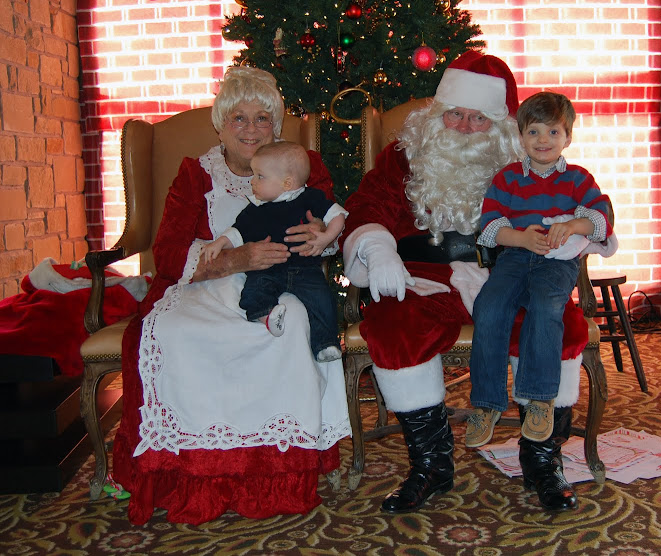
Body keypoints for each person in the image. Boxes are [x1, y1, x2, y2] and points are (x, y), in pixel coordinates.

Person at [340, 51, 604, 514]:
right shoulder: (403, 156)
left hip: (511, 270)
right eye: (454, 114)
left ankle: (542, 460)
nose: (463, 127)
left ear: (501, 126)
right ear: (438, 113)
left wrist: (570, 233)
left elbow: (582, 209)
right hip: (424, 277)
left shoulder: (527, 163)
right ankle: (431, 465)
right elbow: (367, 206)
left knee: (560, 326)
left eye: (478, 118)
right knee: (394, 327)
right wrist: (377, 249)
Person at [112, 66, 351, 525]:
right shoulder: (196, 174)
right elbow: (168, 252)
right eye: (238, 118)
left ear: (276, 125)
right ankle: (190, 470)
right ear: (220, 125)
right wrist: (234, 259)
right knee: (176, 331)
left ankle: (277, 471)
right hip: (207, 283)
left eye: (262, 118)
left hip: (284, 280)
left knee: (292, 324)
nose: (251, 129)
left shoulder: (300, 167)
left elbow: (329, 227)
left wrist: (321, 236)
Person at [467, 91, 612, 511]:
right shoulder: (508, 178)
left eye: (553, 132)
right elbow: (489, 226)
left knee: (547, 309)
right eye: (534, 132)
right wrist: (519, 237)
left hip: (555, 263)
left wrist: (574, 225)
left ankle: (539, 401)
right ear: (521, 136)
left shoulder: (578, 178)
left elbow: (602, 219)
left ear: (567, 137)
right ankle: (487, 403)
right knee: (489, 307)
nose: (543, 140)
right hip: (515, 257)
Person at [200, 140, 347, 360]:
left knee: (322, 299)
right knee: (253, 291)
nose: (252, 182)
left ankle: (325, 343)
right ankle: (267, 316)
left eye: (260, 176)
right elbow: (238, 231)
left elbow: (338, 216)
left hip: (305, 269)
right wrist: (220, 242)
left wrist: (325, 238)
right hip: (267, 268)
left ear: (287, 183)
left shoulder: (310, 198)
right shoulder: (256, 208)